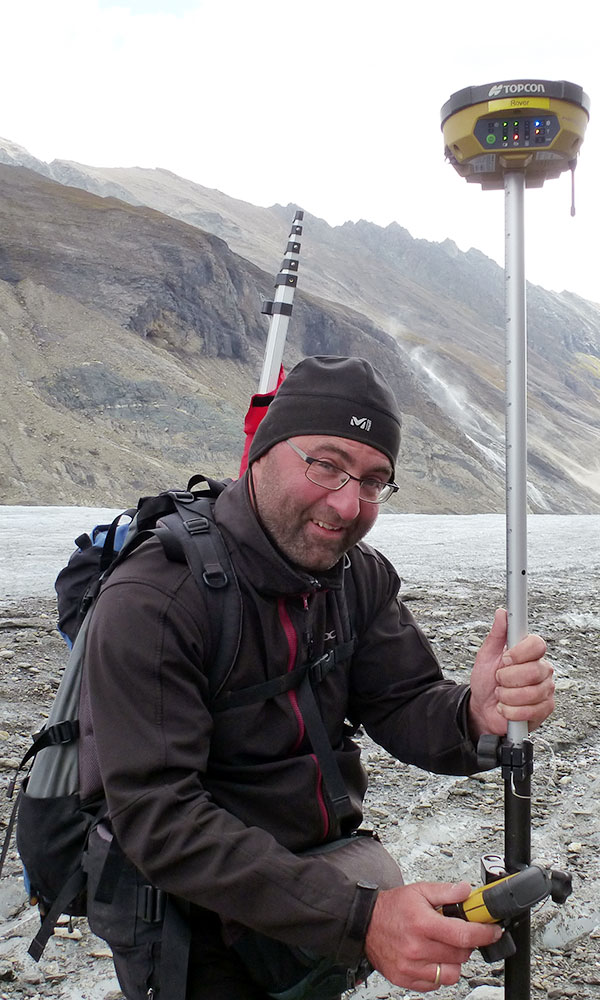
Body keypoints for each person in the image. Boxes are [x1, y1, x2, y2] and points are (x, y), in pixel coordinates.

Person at [84, 355, 554, 999]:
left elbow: (403, 700)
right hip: (187, 913)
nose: (347, 503)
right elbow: (159, 819)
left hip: (314, 887)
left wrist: (476, 715)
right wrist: (362, 919)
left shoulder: (357, 575)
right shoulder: (157, 599)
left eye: (372, 480)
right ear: (265, 451)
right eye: (326, 464)